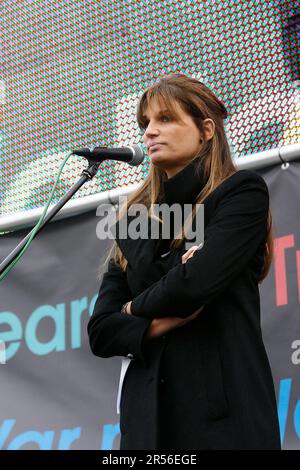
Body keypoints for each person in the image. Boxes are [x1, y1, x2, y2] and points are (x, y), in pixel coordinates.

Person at [87, 73, 281, 450]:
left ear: (206, 129)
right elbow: (100, 331)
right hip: (147, 426)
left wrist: (130, 309)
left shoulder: (241, 194)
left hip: (222, 422)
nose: (150, 132)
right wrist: (155, 322)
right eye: (146, 123)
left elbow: (193, 286)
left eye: (166, 119)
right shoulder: (132, 220)